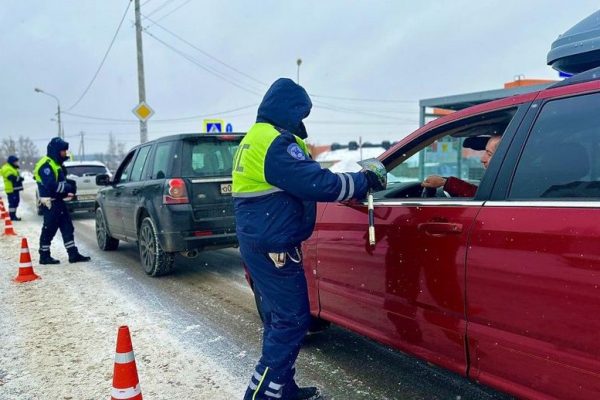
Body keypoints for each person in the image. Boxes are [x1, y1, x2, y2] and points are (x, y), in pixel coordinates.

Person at [233, 78, 385, 400]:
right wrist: (365, 180)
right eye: (301, 113)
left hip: (261, 240)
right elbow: (318, 184)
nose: (303, 121)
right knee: (292, 321)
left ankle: (282, 388)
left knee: (279, 320)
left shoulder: (256, 138)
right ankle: (261, 395)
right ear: (289, 110)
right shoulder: (274, 143)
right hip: (274, 246)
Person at [33, 137, 90, 264]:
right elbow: (51, 185)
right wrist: (68, 187)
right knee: (49, 229)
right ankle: (44, 255)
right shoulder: (45, 165)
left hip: (58, 201)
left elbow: (60, 181)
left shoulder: (56, 163)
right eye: (63, 151)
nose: (65, 153)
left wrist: (70, 185)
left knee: (67, 227)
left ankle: (73, 254)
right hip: (50, 203)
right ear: (56, 151)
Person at [422, 135, 502, 197]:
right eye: (485, 152)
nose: (482, 159)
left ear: (505, 156)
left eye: (489, 154)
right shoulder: (506, 180)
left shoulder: (505, 181)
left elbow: (482, 196)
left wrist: (444, 182)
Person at [1, 155, 24, 220]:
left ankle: (13, 215)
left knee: (16, 202)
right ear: (11, 162)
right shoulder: (7, 168)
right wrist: (19, 179)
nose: (17, 163)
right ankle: (12, 216)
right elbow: (10, 177)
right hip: (11, 189)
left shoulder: (12, 167)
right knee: (12, 203)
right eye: (15, 162)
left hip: (14, 189)